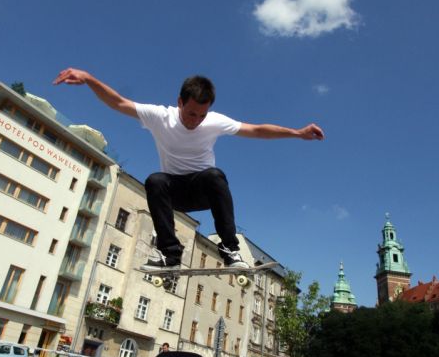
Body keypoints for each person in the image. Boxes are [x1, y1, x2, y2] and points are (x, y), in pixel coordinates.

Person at [54, 68, 324, 270]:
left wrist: (296, 133)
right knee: (155, 180)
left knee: (215, 175)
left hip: (203, 191)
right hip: (173, 194)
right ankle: (170, 255)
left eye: (202, 115)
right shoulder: (160, 116)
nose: (196, 121)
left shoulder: (213, 122)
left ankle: (230, 250)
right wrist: (89, 79)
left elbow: (256, 130)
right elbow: (119, 102)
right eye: (191, 113)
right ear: (180, 102)